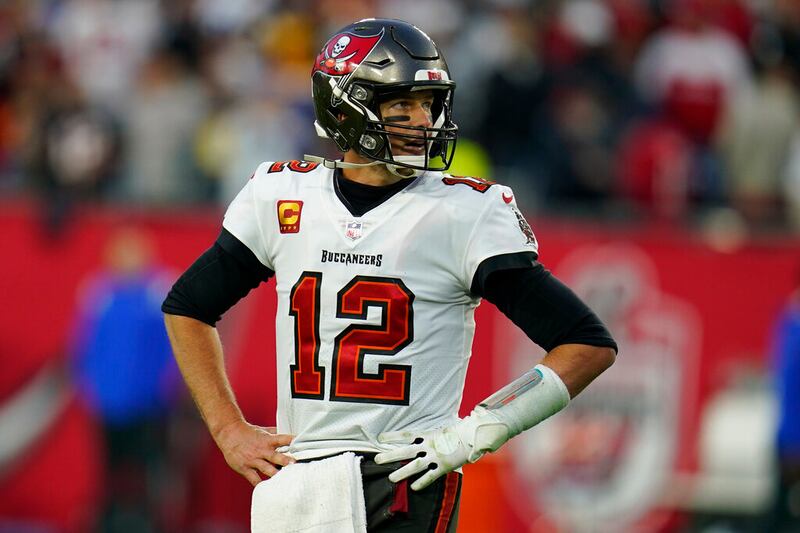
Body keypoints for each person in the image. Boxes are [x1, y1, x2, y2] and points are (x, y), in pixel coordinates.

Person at [162, 18, 617, 532]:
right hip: (300, 477)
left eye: (428, 104)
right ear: (344, 107)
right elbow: (188, 307)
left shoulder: (462, 212)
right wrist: (228, 430)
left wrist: (476, 432)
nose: (423, 120)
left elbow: (586, 343)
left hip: (407, 474)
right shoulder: (283, 198)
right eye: (401, 105)